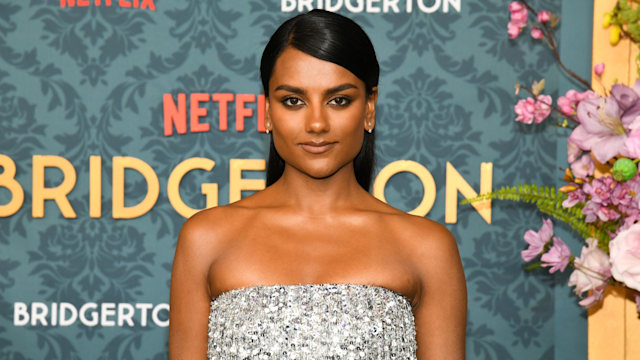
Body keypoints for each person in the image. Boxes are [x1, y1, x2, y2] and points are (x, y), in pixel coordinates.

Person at [169, 9, 466, 359]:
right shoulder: (205, 238)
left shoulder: (427, 247)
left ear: (370, 107)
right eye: (293, 101)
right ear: (266, 111)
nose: (316, 123)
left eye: (338, 100)